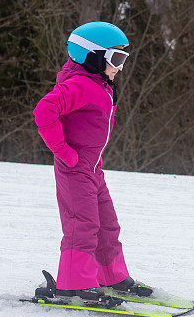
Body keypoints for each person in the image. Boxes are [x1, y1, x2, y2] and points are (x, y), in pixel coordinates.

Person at [33, 21, 152, 301]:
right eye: (116, 58)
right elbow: (44, 111)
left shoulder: (100, 85)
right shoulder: (79, 85)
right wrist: (63, 151)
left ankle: (111, 276)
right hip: (75, 168)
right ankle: (74, 283)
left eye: (123, 59)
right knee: (82, 224)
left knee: (108, 225)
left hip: (93, 169)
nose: (120, 67)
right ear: (93, 56)